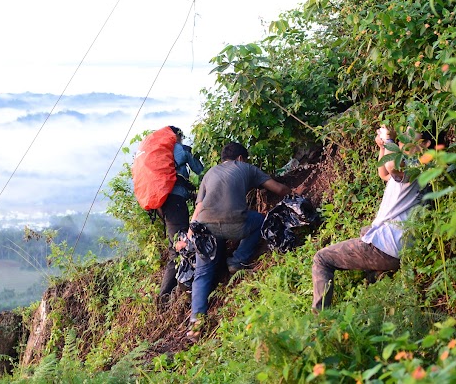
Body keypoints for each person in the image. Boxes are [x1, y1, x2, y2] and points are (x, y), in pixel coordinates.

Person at [311, 123, 441, 311]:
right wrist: (382, 147)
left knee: (322, 258)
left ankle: (320, 319)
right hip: (400, 247)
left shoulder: (414, 166)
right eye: (403, 135)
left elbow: (392, 166)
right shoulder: (425, 169)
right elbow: (384, 172)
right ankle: (377, 275)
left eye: (410, 136)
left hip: (387, 247)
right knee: (366, 231)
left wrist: (388, 140)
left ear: (426, 143)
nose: (403, 139)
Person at [180, 142, 292, 340]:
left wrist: (189, 237)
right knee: (261, 220)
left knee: (202, 273)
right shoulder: (246, 168)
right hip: (236, 225)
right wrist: (295, 193)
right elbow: (278, 188)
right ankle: (238, 260)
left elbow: (198, 210)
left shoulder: (209, 174)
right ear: (240, 158)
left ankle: (195, 325)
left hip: (205, 228)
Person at [157, 126, 204, 305]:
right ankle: (166, 299)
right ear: (176, 136)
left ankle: (178, 289)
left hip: (163, 204)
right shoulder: (181, 149)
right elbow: (200, 170)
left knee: (178, 244)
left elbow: (177, 184)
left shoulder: (161, 154)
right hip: (175, 204)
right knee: (178, 247)